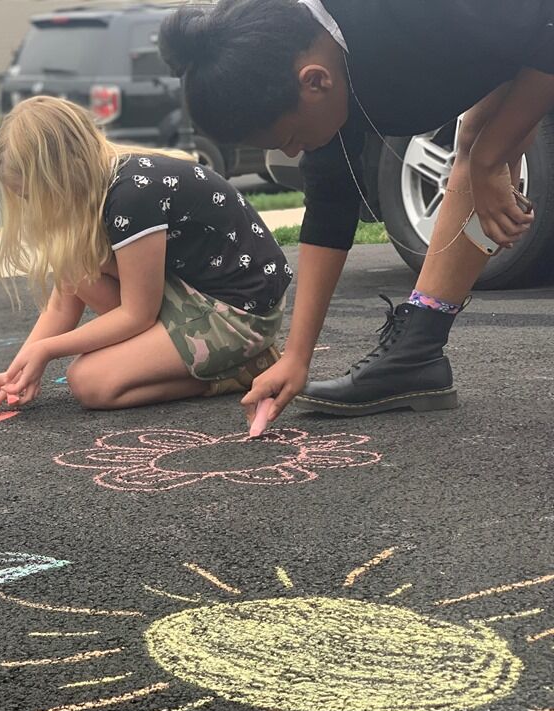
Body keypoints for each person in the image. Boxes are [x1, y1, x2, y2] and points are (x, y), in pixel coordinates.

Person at [158, 0, 553, 419]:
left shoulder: (409, 13)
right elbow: (330, 206)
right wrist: (296, 357)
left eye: (290, 138)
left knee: (481, 145)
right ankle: (416, 353)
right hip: (520, 42)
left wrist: (491, 158)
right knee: (476, 138)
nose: (292, 152)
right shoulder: (321, 65)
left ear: (315, 81)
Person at [0, 96, 292, 414]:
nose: (34, 207)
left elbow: (138, 315)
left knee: (90, 381)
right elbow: (62, 303)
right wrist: (15, 373)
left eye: (36, 196)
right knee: (75, 263)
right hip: (198, 295)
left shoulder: (132, 196)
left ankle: (241, 370)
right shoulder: (107, 179)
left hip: (239, 315)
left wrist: (47, 350)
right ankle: (174, 355)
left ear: (63, 175)